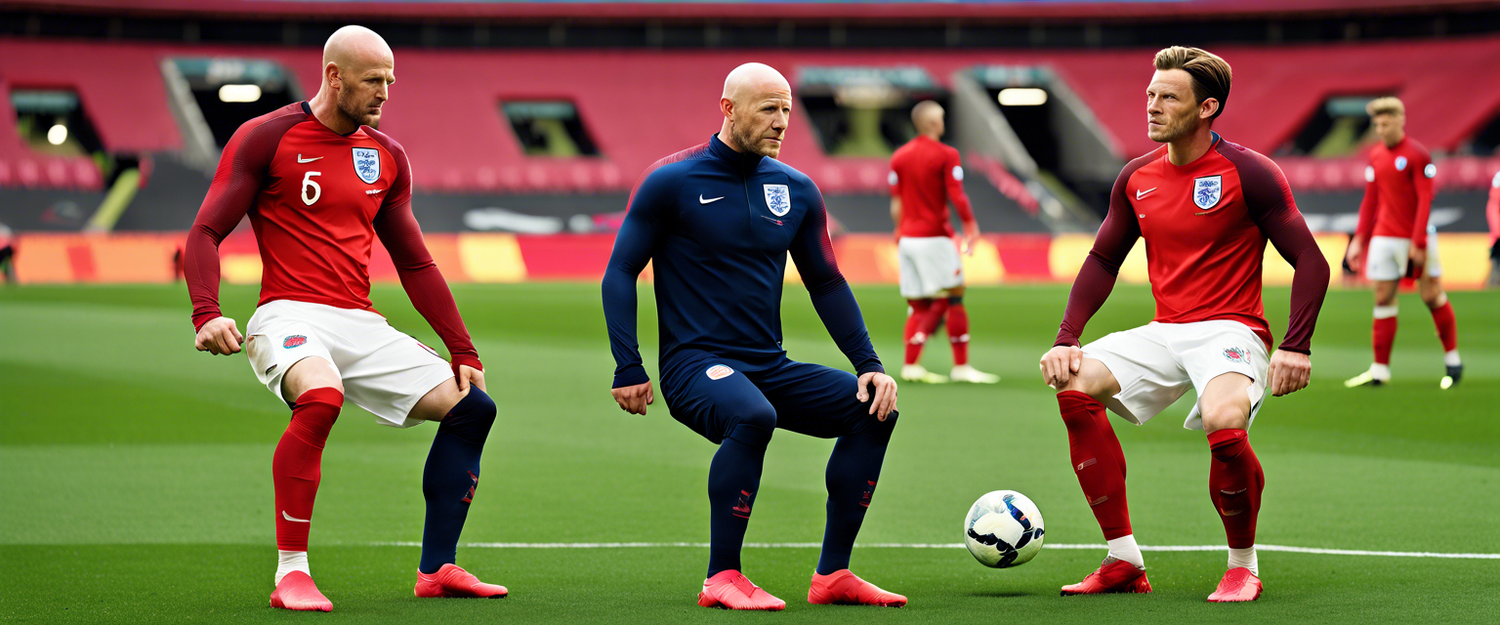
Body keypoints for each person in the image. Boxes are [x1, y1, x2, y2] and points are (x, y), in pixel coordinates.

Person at [185, 26, 505, 611]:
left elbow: (415, 262)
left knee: (472, 408)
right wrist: (206, 312)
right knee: (321, 397)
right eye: (373, 80)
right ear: (334, 77)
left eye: (390, 80)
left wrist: (463, 349)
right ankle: (291, 574)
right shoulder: (266, 137)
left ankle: (436, 569)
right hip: (286, 313)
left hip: (358, 320)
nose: (384, 93)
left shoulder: (386, 157)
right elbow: (205, 231)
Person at [602, 62, 905, 611]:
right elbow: (620, 271)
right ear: (728, 109)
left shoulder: (797, 189)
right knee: (752, 414)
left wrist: (869, 364)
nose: (782, 121)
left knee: (873, 410)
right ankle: (721, 577)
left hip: (768, 365)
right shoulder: (671, 181)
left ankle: (833, 574)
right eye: (768, 108)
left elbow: (826, 282)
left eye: (786, 109)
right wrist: (629, 364)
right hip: (694, 365)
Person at [1038, 46, 1329, 603]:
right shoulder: (1135, 177)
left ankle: (1242, 567)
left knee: (1224, 420)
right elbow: (1102, 260)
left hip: (1232, 329)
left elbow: (1311, 261)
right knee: (1073, 383)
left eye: (1168, 97)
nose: (1152, 105)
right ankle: (1123, 560)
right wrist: (1066, 338)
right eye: (1151, 94)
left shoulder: (1250, 172)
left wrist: (1297, 345)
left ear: (1206, 107)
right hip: (1166, 328)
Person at [1343, 97, 1462, 389]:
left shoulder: (1417, 155)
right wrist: (1359, 239)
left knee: (1431, 295)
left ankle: (1453, 360)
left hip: (1414, 238)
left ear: (1400, 121)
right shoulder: (1375, 155)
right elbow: (1371, 199)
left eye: (1386, 124)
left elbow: (1425, 199)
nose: (1381, 130)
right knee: (1383, 297)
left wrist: (1418, 242)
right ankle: (1380, 370)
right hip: (1384, 237)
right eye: (1377, 125)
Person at [889, 101, 998, 384]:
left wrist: (899, 232)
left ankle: (911, 366)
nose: (943, 122)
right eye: (941, 117)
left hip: (907, 239)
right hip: (934, 237)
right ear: (932, 123)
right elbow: (956, 194)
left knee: (918, 304)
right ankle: (960, 366)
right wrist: (970, 225)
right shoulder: (946, 154)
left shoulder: (899, 156)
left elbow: (896, 202)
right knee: (952, 296)